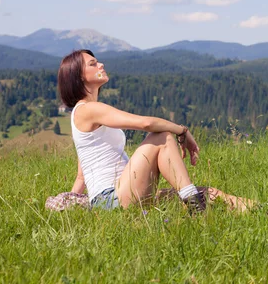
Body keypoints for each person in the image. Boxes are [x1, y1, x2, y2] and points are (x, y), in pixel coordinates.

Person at [57, 49, 253, 214]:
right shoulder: (87, 109)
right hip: (111, 199)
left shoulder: (87, 111)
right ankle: (195, 207)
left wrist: (72, 203)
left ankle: (264, 209)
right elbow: (146, 124)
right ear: (79, 76)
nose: (101, 65)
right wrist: (182, 131)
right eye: (93, 64)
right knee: (162, 136)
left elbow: (82, 176)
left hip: (118, 195)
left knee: (208, 192)